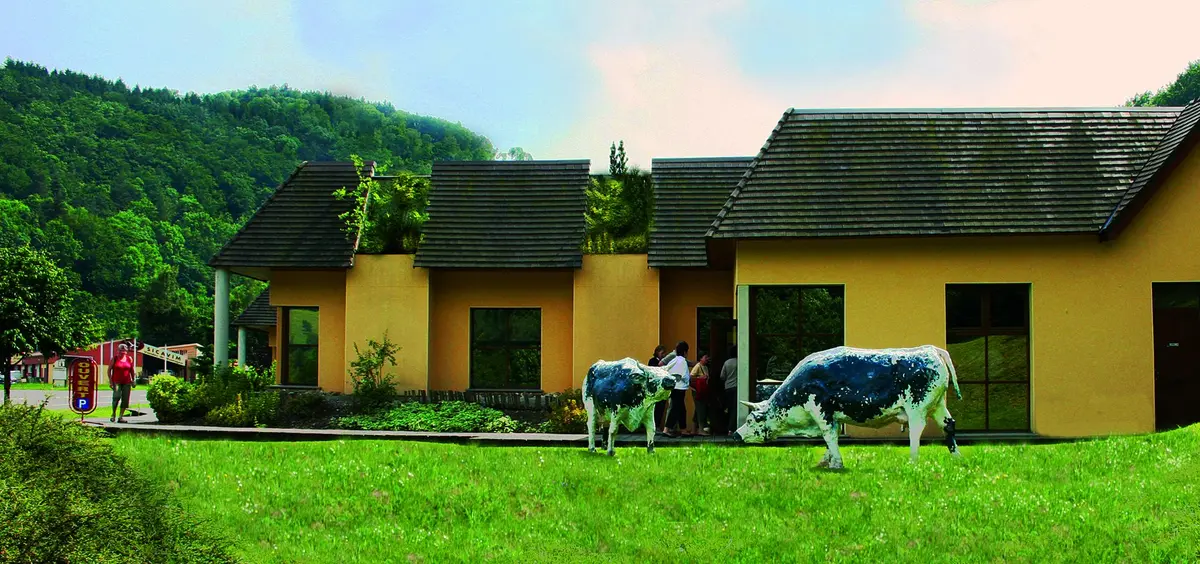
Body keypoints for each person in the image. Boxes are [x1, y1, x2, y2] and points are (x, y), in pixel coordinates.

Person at [662, 341, 690, 437]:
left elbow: (666, 369)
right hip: (680, 388)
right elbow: (684, 375)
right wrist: (688, 381)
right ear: (685, 352)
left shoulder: (674, 360)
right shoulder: (683, 361)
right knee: (675, 409)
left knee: (681, 409)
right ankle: (666, 429)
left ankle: (683, 429)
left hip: (673, 387)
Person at [108, 343, 136, 423]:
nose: (122, 352)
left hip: (127, 382)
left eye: (124, 350)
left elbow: (132, 370)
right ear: (118, 351)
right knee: (116, 397)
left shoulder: (129, 359)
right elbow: (109, 370)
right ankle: (113, 414)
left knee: (125, 399)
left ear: (126, 351)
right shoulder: (115, 358)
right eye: (120, 350)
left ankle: (120, 417)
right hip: (116, 382)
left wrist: (133, 380)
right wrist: (110, 381)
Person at [647, 345, 668, 430]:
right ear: (657, 352)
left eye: (664, 353)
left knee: (661, 407)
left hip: (662, 388)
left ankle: (658, 425)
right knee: (655, 407)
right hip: (655, 388)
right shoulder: (652, 361)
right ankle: (653, 425)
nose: (663, 355)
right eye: (662, 353)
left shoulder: (665, 362)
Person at [690, 354, 711, 435]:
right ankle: (701, 430)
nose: (707, 359)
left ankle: (693, 429)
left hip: (703, 391)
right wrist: (700, 378)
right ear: (701, 358)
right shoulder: (697, 366)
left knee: (698, 409)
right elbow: (691, 377)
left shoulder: (705, 367)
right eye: (705, 357)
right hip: (697, 391)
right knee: (701, 409)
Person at [719, 346, 738, 434]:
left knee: (729, 408)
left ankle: (726, 427)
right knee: (734, 408)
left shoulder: (726, 363)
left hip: (728, 388)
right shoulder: (739, 362)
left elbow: (722, 376)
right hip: (736, 387)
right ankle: (731, 428)